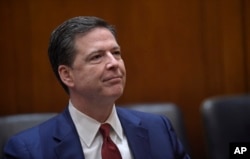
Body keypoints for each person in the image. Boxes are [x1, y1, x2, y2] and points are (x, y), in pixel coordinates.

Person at [4, 16, 190, 159]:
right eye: (97, 57)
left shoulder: (159, 129)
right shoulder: (27, 151)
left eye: (116, 53)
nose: (113, 63)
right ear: (67, 75)